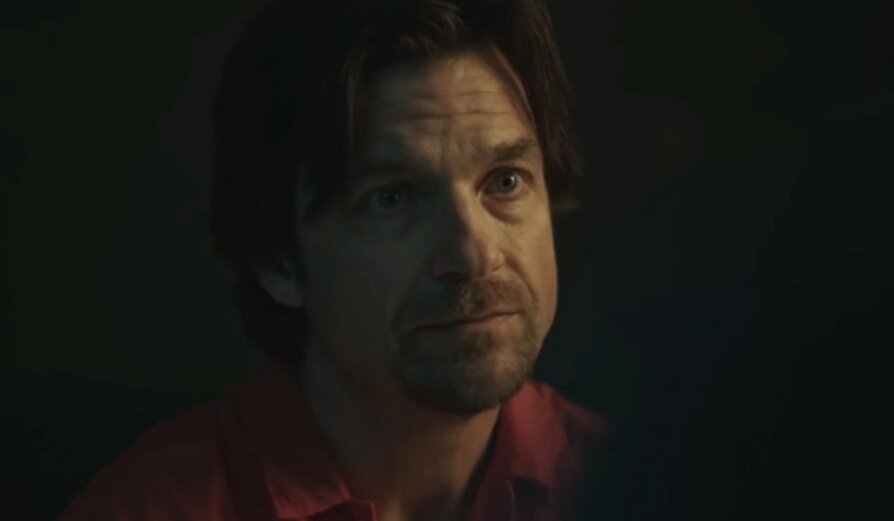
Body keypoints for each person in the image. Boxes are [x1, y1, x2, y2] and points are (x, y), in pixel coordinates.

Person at [59, 1, 612, 520]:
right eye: (391, 199)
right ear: (279, 260)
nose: (475, 254)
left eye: (506, 181)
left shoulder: (638, 487)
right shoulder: (148, 507)